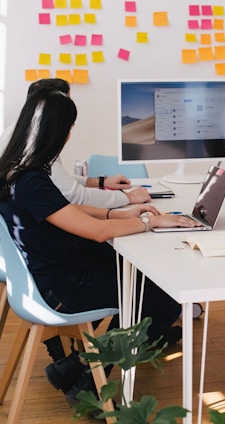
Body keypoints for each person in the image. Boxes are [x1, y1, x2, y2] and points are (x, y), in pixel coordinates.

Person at [0, 89, 202, 406]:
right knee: (162, 299)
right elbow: (95, 232)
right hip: (61, 289)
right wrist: (153, 223)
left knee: (136, 276)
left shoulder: (18, 171)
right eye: (69, 127)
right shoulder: (31, 181)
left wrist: (119, 214)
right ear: (56, 132)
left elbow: (67, 210)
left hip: (52, 272)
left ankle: (75, 367)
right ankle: (87, 384)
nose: (69, 135)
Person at [0, 78, 152, 209]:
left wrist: (100, 182)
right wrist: (128, 199)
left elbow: (57, 181)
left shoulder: (18, 135)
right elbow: (75, 196)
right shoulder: (36, 148)